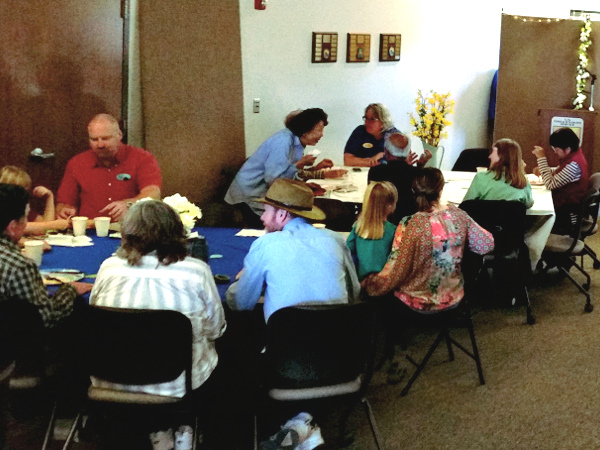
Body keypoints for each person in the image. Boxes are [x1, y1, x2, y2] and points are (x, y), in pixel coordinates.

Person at [89, 199, 226, 398]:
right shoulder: (197, 271)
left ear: (127, 233)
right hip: (177, 385)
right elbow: (216, 330)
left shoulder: (109, 267)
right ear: (178, 233)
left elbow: (95, 316)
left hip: (108, 378)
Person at [226, 178, 360, 322]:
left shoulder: (265, 244)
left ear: (282, 214)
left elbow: (241, 303)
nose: (262, 218)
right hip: (339, 339)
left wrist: (241, 280)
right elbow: (354, 292)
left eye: (265, 211)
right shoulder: (336, 239)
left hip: (285, 341)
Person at [362, 168, 495, 311]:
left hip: (416, 303)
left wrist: (370, 283)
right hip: (453, 298)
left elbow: (395, 270)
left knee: (376, 294)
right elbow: (487, 244)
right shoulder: (459, 216)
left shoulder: (408, 224)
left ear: (414, 191)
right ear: (441, 189)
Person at [225, 108, 347, 228]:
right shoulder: (283, 141)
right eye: (319, 130)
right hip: (249, 197)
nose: (321, 135)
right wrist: (300, 166)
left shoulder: (296, 143)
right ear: (306, 130)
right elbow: (274, 180)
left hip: (265, 192)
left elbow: (287, 174)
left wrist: (305, 181)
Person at [0, 184, 92, 328]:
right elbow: (46, 319)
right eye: (25, 218)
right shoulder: (20, 266)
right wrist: (70, 290)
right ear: (12, 227)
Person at [56, 114, 162, 222]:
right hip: (89, 232)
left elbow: (153, 193)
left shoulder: (141, 158)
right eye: (94, 139)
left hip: (131, 228)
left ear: (119, 135)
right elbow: (63, 203)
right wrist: (65, 211)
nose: (100, 144)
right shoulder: (77, 163)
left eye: (106, 138)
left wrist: (129, 204)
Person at [532, 127, 589, 232]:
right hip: (566, 208)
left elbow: (550, 184)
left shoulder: (574, 165)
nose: (555, 152)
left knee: (533, 223)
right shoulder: (575, 155)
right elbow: (560, 171)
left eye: (556, 149)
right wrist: (545, 169)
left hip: (568, 215)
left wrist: (541, 158)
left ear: (567, 149)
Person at [368, 132, 431, 224]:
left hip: (381, 225)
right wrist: (419, 167)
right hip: (409, 226)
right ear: (409, 152)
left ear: (386, 152)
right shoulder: (417, 174)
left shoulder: (376, 172)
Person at [347, 181, 398, 280]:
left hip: (361, 282)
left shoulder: (358, 227)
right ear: (390, 206)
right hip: (382, 283)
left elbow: (347, 249)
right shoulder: (393, 230)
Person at [463, 138, 534, 208]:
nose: (489, 156)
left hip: (482, 218)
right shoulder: (522, 181)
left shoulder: (481, 177)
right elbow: (528, 203)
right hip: (511, 219)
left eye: (493, 152)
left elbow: (466, 204)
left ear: (501, 156)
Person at [0, 166, 70, 235]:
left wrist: (49, 197)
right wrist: (55, 225)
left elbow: (45, 224)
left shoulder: (21, 208)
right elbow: (18, 227)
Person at [344, 103, 409, 167]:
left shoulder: (394, 135)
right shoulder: (360, 131)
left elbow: (402, 161)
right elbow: (347, 160)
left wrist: (382, 155)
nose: (367, 122)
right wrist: (371, 161)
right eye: (366, 118)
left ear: (383, 121)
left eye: (372, 119)